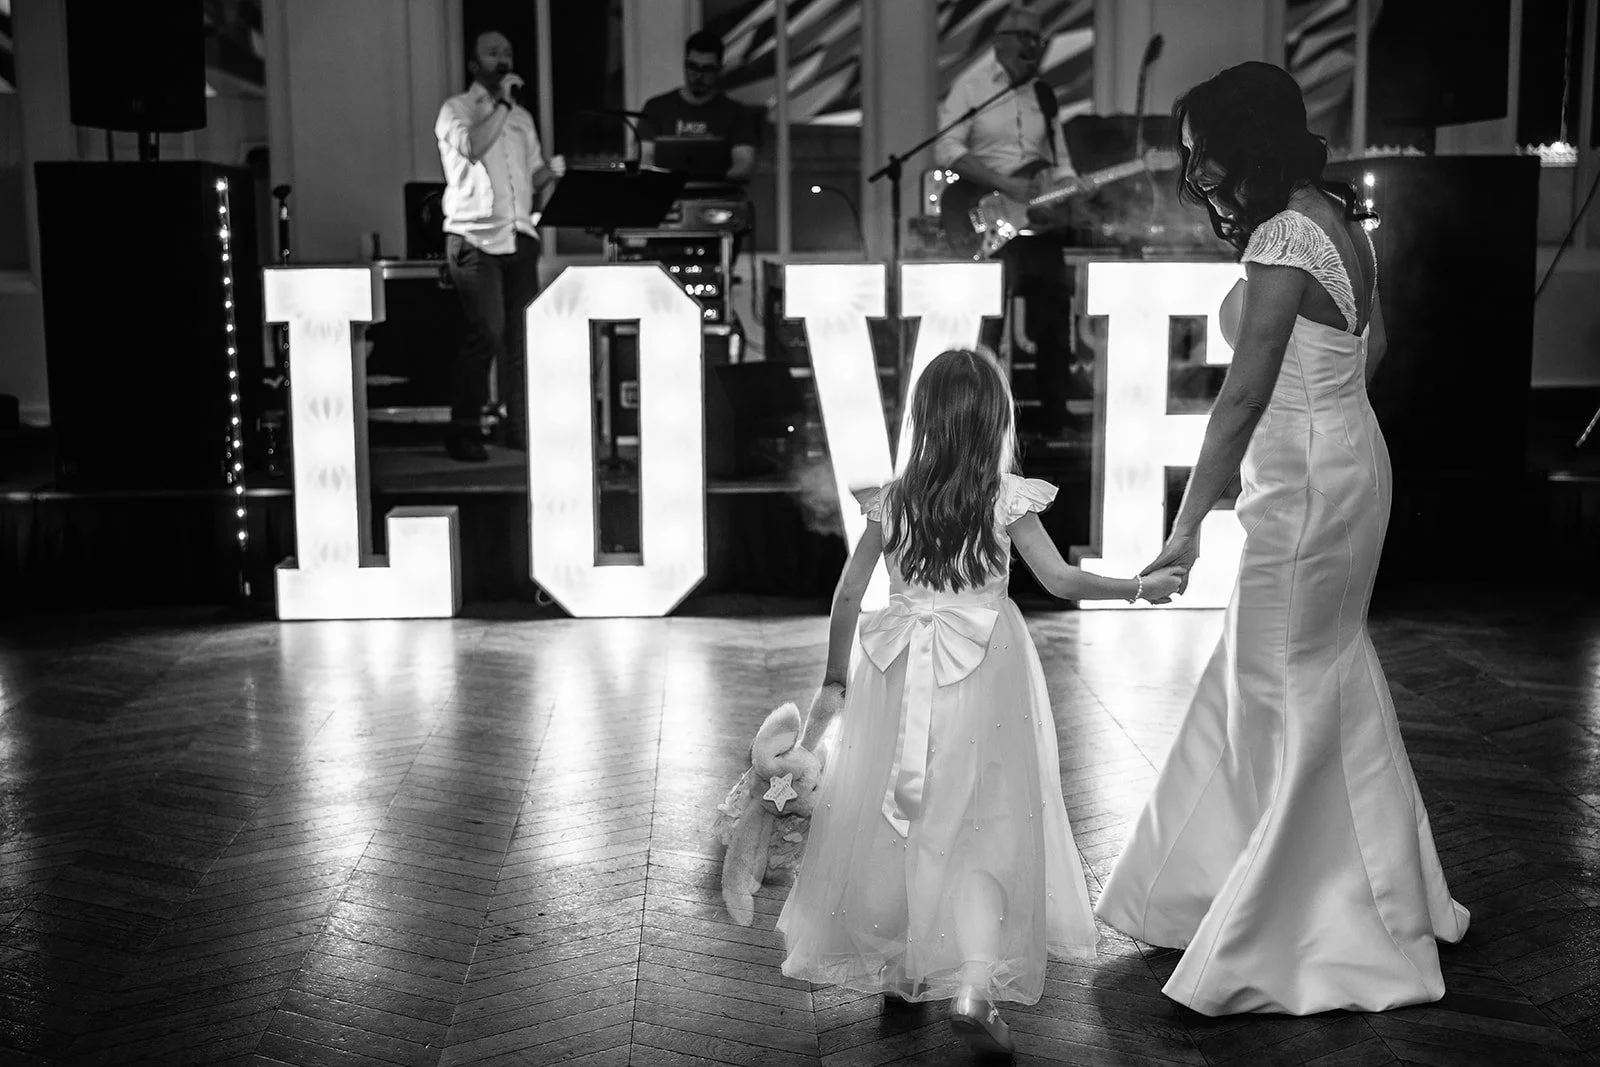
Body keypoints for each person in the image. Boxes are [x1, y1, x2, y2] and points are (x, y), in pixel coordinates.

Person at [1093, 62, 1471, 1016]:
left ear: (1242, 139)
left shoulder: (1283, 234)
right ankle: (1337, 885)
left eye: (1199, 146)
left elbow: (1245, 392)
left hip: (1304, 490)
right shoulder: (1337, 218)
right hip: (1347, 465)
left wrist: (1184, 530)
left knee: (1277, 681)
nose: (1193, 166)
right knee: (1311, 670)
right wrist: (1328, 421)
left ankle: (1299, 919)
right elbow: (1370, 349)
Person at [777, 348, 1185, 1056]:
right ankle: (971, 980)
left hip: (898, 670)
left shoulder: (894, 497)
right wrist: (1139, 587)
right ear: (996, 418)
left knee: (895, 811)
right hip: (984, 676)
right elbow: (1058, 581)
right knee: (982, 824)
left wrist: (836, 680)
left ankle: (900, 965)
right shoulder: (1004, 496)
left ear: (922, 418)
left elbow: (847, 596)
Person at [936, 2, 1081, 437]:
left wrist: (1071, 185)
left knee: (1054, 314)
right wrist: (1004, 182)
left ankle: (1054, 413)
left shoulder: (1044, 93)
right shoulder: (973, 86)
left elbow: (1061, 160)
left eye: (1038, 40)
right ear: (1000, 42)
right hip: (986, 212)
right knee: (988, 319)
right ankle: (975, 418)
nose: (1033, 48)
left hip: (1035, 221)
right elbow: (946, 148)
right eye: (1025, 38)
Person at [435, 30, 565, 462]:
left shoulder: (522, 119)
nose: (503, 59)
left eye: (508, 52)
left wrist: (557, 172)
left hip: (520, 237)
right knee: (485, 334)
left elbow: (535, 176)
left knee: (521, 340)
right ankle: (463, 431)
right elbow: (472, 146)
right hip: (474, 239)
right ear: (474, 65)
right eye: (493, 53)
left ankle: (519, 429)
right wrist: (503, 106)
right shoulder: (456, 110)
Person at [638, 30, 759, 184]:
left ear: (719, 69)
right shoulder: (656, 107)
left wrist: (713, 181)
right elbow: (645, 158)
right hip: (666, 195)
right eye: (692, 67)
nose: (698, 76)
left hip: (718, 197)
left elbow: (744, 164)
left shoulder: (736, 113)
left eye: (706, 69)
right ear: (684, 64)